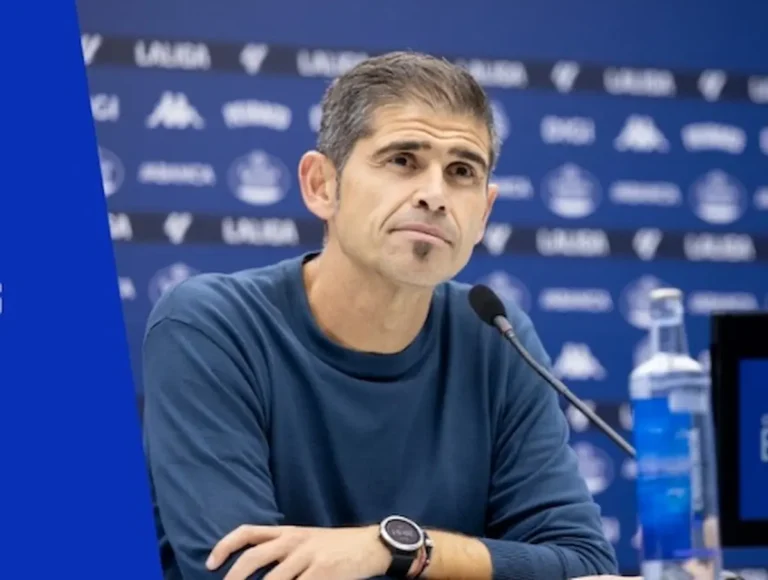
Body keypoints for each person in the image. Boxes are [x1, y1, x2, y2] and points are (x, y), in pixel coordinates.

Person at [142, 51, 623, 580]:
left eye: (461, 171)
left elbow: (583, 565)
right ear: (321, 185)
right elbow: (242, 571)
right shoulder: (211, 327)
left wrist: (397, 548)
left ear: (484, 213)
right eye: (402, 161)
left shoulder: (496, 336)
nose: (435, 196)